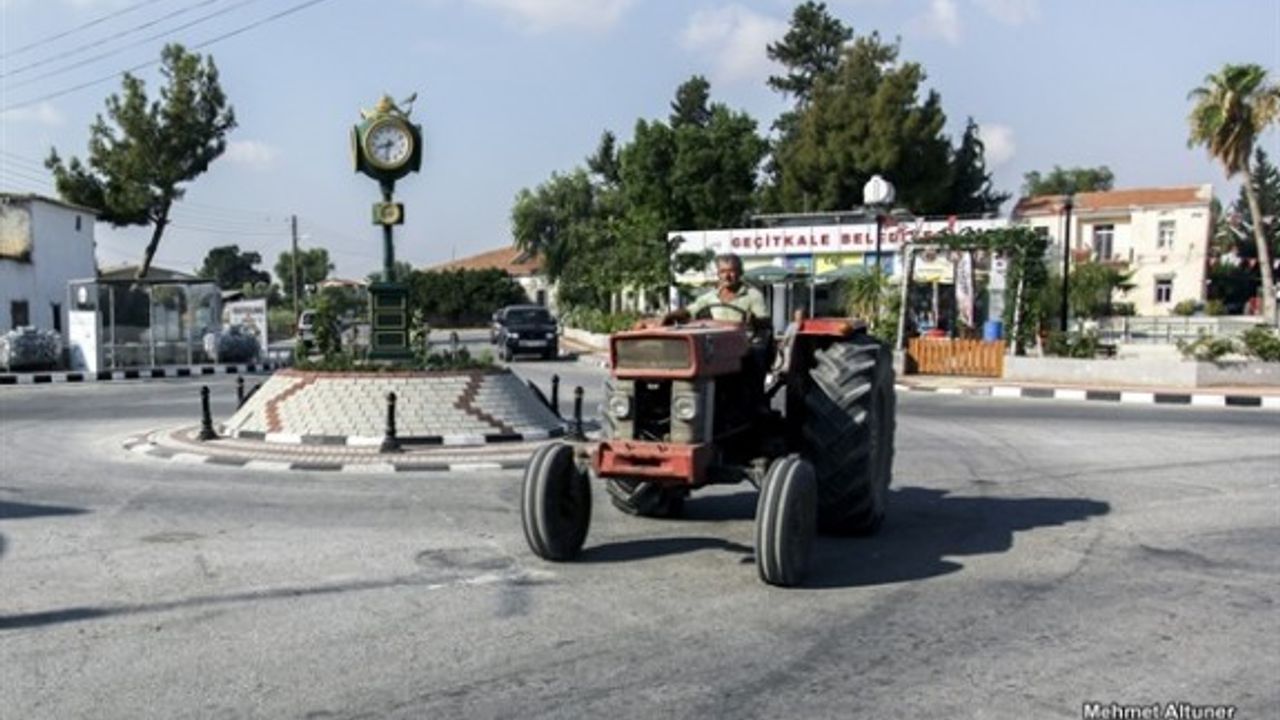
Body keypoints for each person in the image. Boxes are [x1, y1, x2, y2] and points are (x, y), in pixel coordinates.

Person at [640, 253, 768, 328]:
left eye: (731, 271)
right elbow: (690, 311)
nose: (727, 276)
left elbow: (764, 321)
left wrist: (753, 321)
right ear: (718, 274)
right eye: (723, 272)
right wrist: (669, 316)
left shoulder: (753, 295)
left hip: (744, 341)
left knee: (756, 353)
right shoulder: (710, 297)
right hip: (717, 340)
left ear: (740, 272)